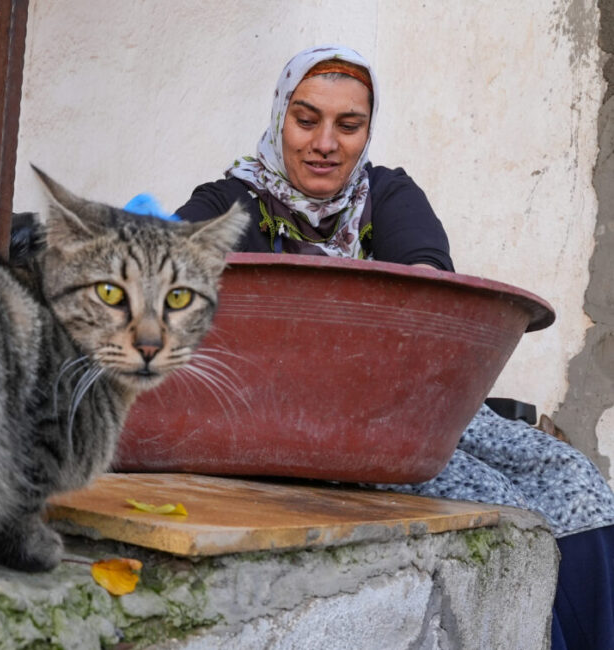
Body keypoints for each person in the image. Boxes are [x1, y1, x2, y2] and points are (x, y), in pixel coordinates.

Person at [171, 44, 614, 650]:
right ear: (280, 119)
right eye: (307, 120)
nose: (326, 142)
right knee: (502, 504)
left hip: (402, 413)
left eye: (348, 125)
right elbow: (161, 270)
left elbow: (427, 287)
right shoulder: (225, 204)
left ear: (367, 131)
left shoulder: (386, 194)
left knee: (570, 476)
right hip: (293, 428)